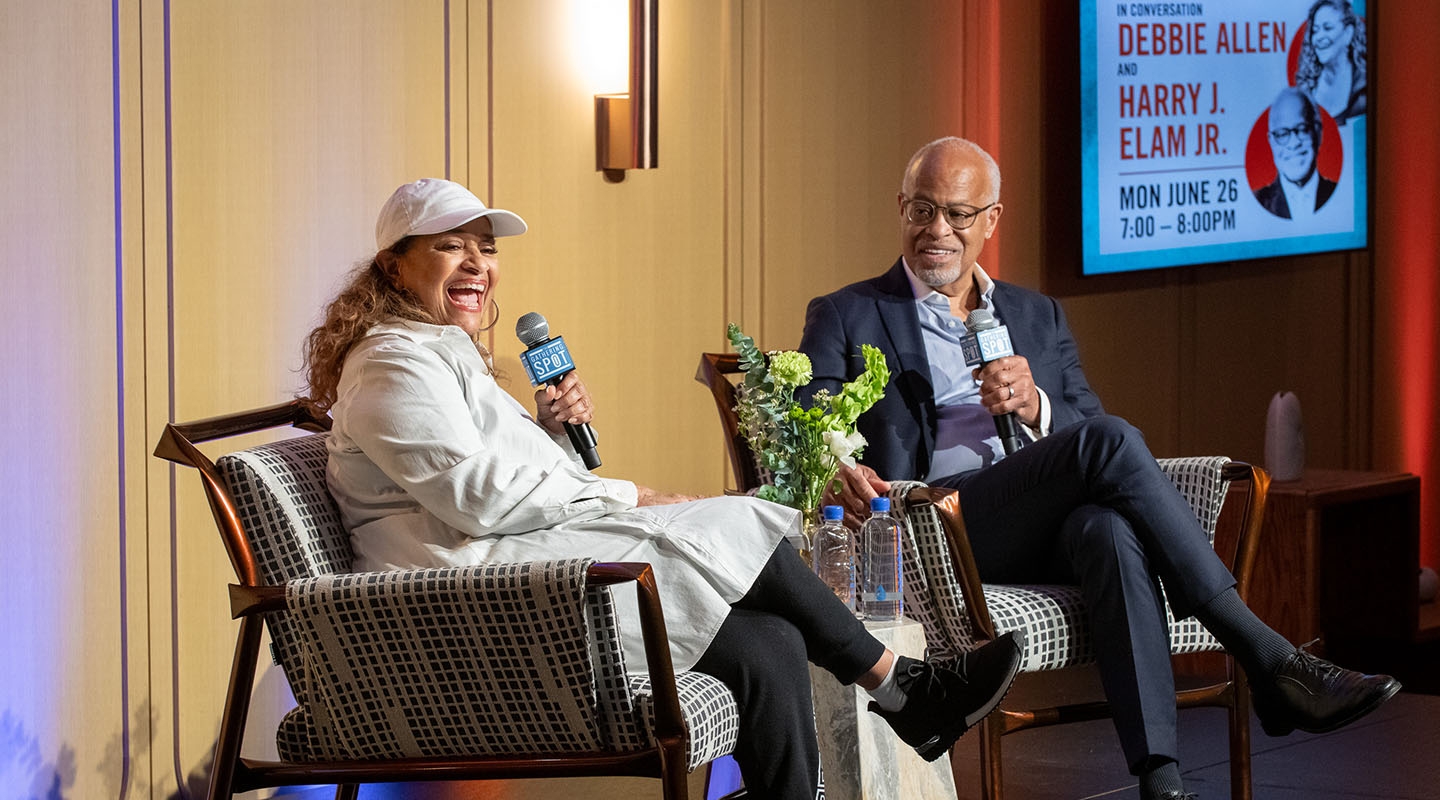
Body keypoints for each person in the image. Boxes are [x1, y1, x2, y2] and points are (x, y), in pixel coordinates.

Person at [299, 177, 1025, 800]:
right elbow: (475, 498)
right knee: (741, 525)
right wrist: (629, 496)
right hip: (467, 610)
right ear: (394, 269)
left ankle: (903, 700)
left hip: (515, 571)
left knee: (767, 640)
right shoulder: (391, 364)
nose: (477, 264)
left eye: (485, 248)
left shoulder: (440, 352)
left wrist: (552, 434)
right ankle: (905, 688)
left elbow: (493, 481)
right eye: (450, 245)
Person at [796, 138, 1400, 800]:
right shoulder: (849, 312)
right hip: (938, 529)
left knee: (1107, 531)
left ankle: (1160, 779)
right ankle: (1266, 656)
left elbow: (1086, 429)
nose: (937, 231)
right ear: (901, 210)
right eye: (922, 209)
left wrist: (1036, 407)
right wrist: (837, 462)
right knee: (1109, 443)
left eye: (959, 214)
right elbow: (812, 422)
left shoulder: (1034, 313)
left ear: (992, 220)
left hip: (1037, 523)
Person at [1254, 87, 1337, 220]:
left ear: (1318, 132)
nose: (1294, 143)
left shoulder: (1342, 194)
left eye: (1302, 129)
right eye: (1282, 134)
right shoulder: (1257, 202)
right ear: (1271, 141)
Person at [1294, 0, 1367, 124]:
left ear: (1348, 33)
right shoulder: (1305, 87)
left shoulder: (1365, 90)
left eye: (1327, 28)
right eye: (1315, 30)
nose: (1319, 37)